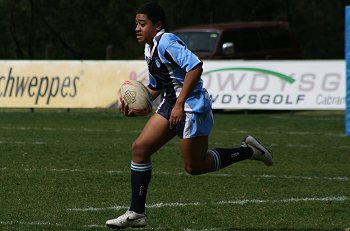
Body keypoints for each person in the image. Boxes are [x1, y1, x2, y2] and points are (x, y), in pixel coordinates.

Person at [106, 2, 273, 229]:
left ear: (158, 26)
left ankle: (249, 151)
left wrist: (180, 104)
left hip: (191, 107)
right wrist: (137, 104)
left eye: (142, 24)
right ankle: (136, 213)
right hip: (170, 104)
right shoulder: (149, 48)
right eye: (136, 23)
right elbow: (156, 86)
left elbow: (195, 67)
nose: (137, 28)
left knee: (194, 166)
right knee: (140, 149)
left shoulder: (167, 42)